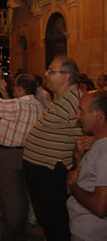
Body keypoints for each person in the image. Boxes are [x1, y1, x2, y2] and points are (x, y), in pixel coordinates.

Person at [23, 56, 82, 241]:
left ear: (66, 77)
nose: (45, 74)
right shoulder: (60, 98)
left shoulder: (75, 101)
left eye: (51, 71)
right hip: (43, 174)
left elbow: (83, 137)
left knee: (56, 223)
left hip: (52, 174)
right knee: (48, 223)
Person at [0, 71, 44, 240]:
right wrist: (5, 93)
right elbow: (12, 110)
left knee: (9, 195)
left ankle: (12, 232)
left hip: (8, 154)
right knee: (19, 194)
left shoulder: (18, 106)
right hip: (24, 153)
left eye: (15, 86)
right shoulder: (37, 105)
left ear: (20, 89)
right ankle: (19, 229)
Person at [67, 90, 107, 241]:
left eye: (81, 111)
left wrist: (72, 185)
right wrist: (78, 156)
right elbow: (85, 178)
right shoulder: (95, 142)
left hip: (91, 233)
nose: (78, 117)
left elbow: (100, 207)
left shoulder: (105, 153)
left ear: (97, 114)